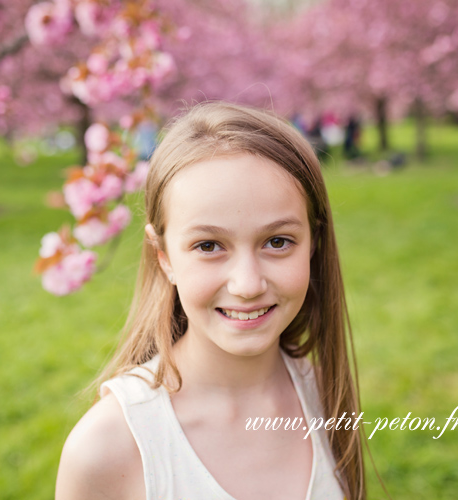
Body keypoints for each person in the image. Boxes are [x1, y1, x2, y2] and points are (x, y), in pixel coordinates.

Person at [55, 102, 365, 500]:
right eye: (208, 245)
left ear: (312, 244)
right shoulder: (107, 450)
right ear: (163, 257)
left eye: (277, 241)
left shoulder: (324, 394)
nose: (248, 284)